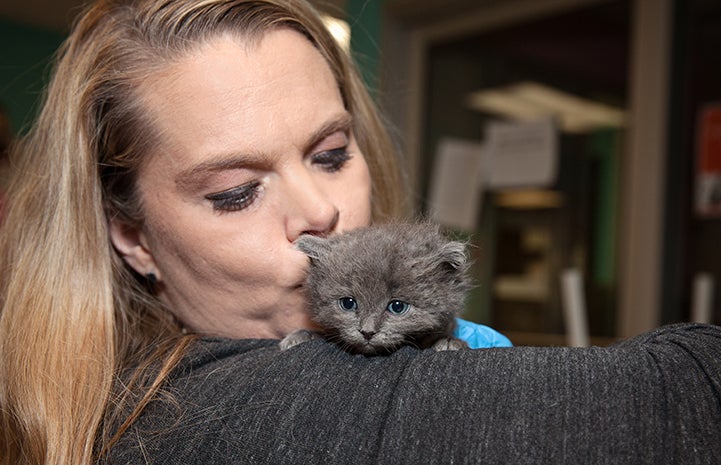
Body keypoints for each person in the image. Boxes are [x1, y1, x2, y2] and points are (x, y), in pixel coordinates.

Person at [0, 1, 718, 464]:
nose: (318, 210)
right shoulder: (210, 417)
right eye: (235, 192)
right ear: (134, 238)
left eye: (331, 154)